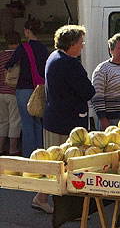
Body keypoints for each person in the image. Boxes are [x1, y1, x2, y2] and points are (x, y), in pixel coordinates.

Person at [40, 25, 95, 214]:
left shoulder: (53, 57)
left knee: (54, 163)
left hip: (54, 119)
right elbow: (88, 91)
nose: (83, 46)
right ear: (71, 43)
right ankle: (65, 207)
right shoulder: (70, 63)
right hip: (67, 123)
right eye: (81, 42)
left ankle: (41, 197)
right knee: (64, 164)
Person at [5, 18, 49, 158]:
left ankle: (30, 155)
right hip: (40, 89)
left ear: (28, 31)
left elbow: (9, 64)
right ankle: (41, 152)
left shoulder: (23, 47)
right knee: (38, 122)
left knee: (27, 122)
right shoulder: (43, 48)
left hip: (24, 89)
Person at [0, 31, 22, 156]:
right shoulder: (18, 56)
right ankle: (13, 149)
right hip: (13, 92)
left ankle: (1, 147)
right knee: (15, 121)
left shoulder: (1, 56)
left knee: (2, 121)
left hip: (0, 92)